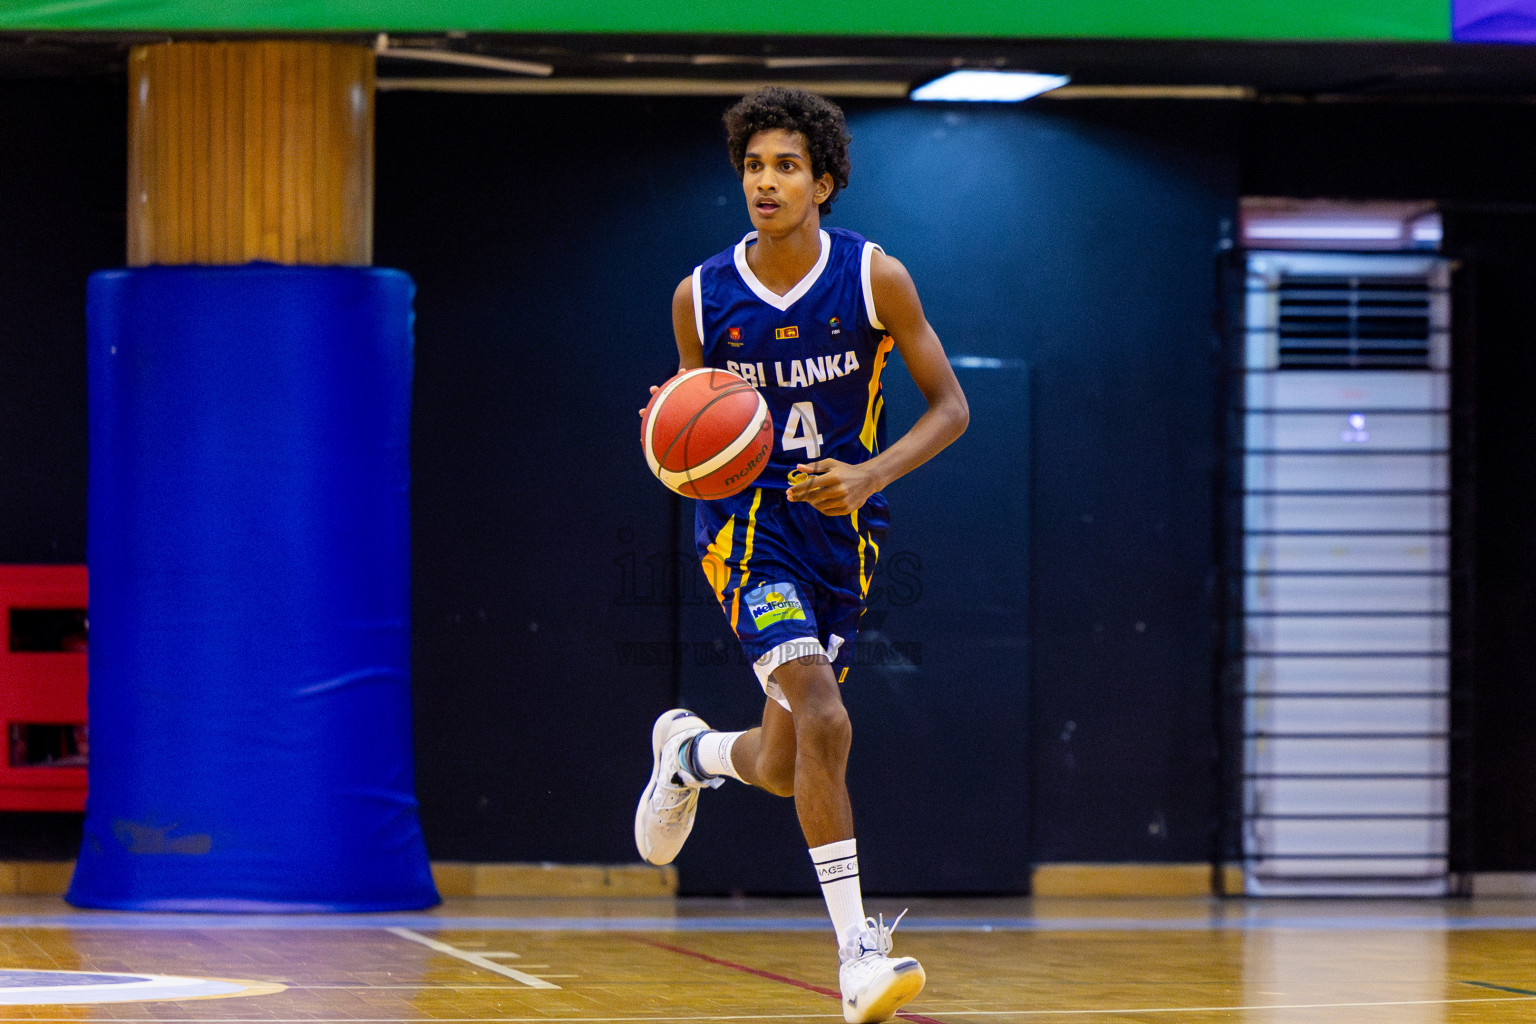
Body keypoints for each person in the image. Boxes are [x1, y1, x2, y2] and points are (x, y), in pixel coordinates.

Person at [635, 86, 969, 1024]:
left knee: (786, 762)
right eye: (753, 166)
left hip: (844, 533)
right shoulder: (699, 295)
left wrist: (865, 476)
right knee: (824, 720)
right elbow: (693, 430)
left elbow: (952, 409)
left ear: (823, 182)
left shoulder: (874, 279)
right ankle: (859, 953)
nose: (766, 182)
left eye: (786, 166)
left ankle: (692, 753)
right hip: (747, 533)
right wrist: (678, 447)